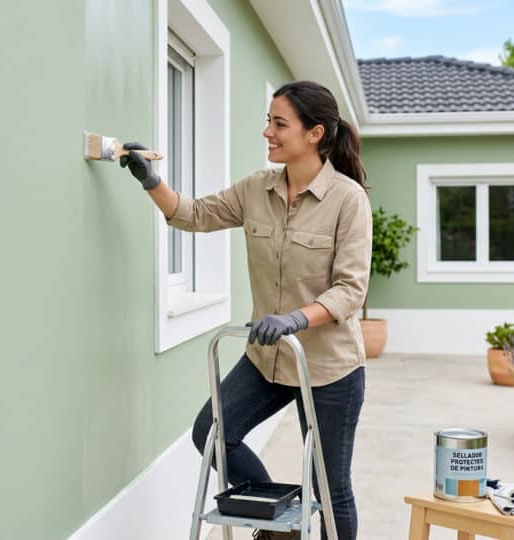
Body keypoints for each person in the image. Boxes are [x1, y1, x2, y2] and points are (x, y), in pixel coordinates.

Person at [120, 80, 372, 540]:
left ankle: (295, 520)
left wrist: (297, 318)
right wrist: (150, 181)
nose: (267, 133)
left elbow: (350, 290)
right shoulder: (258, 188)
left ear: (315, 134)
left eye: (280, 124)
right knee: (213, 434)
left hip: (329, 368)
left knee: (332, 487)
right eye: (268, 122)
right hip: (267, 359)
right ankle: (281, 521)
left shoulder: (348, 200)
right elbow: (194, 215)